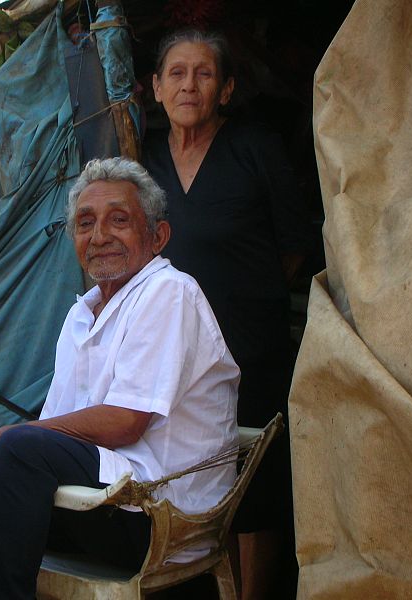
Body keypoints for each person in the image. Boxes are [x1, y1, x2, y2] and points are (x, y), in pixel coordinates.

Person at [0, 157, 240, 599]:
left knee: (14, 452)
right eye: (86, 223)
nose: (100, 236)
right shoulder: (81, 315)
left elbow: (127, 421)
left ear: (157, 237)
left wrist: (1, 439)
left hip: (158, 518)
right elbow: (58, 429)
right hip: (99, 506)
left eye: (120, 220)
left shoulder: (170, 292)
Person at [142, 28, 310, 600]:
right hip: (171, 354)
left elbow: (293, 247)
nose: (190, 84)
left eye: (205, 73)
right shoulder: (141, 163)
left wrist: (239, 296)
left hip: (249, 345)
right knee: (191, 475)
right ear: (156, 88)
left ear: (228, 88)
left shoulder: (254, 149)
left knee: (254, 490)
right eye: (178, 73)